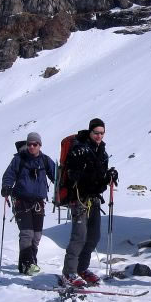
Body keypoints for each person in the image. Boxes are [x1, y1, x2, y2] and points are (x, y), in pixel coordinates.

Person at [60, 118, 118, 287]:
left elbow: (98, 177)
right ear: (90, 132)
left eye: (102, 133)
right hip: (79, 199)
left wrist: (109, 175)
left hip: (94, 198)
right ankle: (68, 271)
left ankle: (81, 268)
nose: (99, 136)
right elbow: (73, 173)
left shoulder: (102, 151)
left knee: (93, 236)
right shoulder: (79, 148)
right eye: (96, 132)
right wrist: (79, 169)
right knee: (79, 236)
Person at [1, 132, 56, 275]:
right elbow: (9, 175)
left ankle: (30, 262)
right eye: (29, 144)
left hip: (38, 202)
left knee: (37, 235)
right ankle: (27, 264)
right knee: (27, 233)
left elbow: (57, 176)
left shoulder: (45, 160)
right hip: (21, 200)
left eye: (35, 144)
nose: (32, 146)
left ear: (40, 145)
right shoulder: (19, 159)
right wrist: (6, 187)